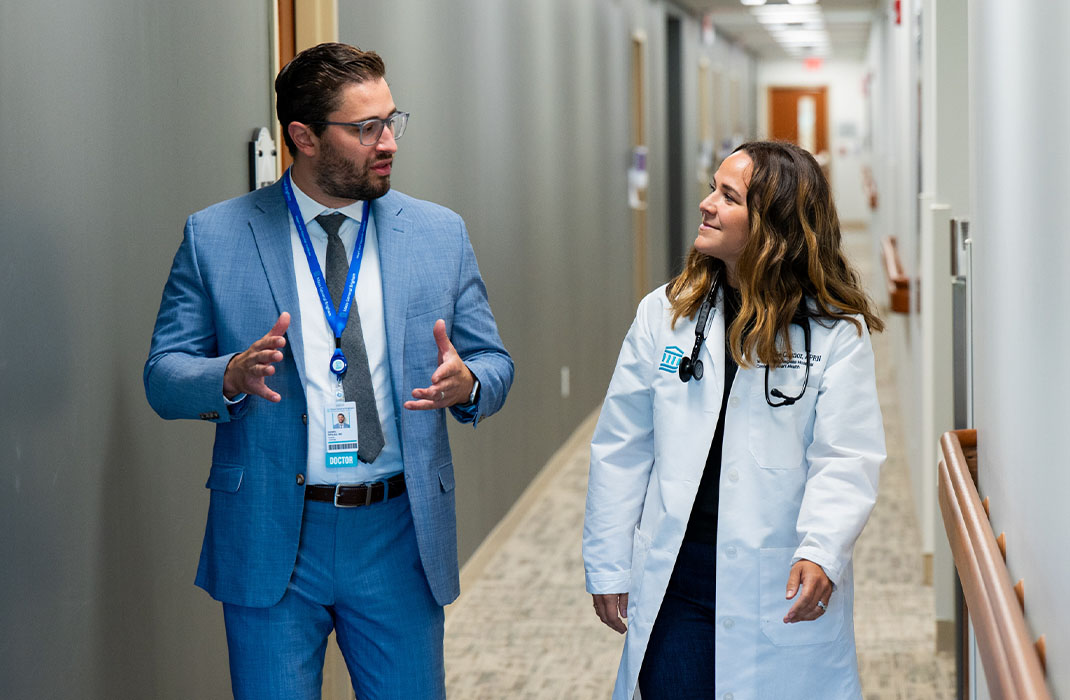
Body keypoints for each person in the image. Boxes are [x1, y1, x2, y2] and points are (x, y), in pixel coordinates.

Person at [144, 42, 513, 699]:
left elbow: (494, 361)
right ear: (304, 137)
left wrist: (471, 383)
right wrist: (228, 375)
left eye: (391, 121)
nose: (388, 142)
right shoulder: (216, 236)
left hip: (398, 533)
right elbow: (163, 375)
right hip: (272, 531)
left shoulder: (438, 234)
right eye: (366, 128)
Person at [583, 140, 885, 700]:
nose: (706, 204)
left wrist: (821, 548)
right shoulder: (665, 313)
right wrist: (607, 562)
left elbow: (846, 456)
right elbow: (623, 446)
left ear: (773, 224)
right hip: (678, 579)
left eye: (728, 196)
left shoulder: (835, 332)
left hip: (777, 576)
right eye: (712, 189)